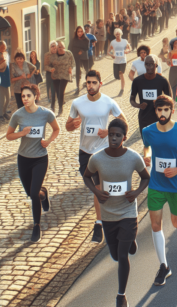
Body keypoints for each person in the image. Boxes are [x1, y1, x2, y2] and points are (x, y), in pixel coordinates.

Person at [83, 119, 150, 307]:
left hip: (128, 212)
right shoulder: (96, 158)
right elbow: (87, 176)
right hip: (108, 214)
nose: (113, 138)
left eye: (117, 135)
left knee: (122, 257)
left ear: (124, 138)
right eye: (111, 134)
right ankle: (129, 243)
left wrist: (136, 192)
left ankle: (121, 295)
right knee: (114, 254)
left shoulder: (133, 157)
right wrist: (96, 192)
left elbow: (146, 177)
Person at [141, 94, 177, 286]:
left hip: (176, 185)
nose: (162, 113)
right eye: (159, 110)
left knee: (175, 222)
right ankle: (164, 267)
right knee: (156, 225)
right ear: (156, 111)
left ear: (172, 110)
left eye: (166, 110)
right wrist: (147, 156)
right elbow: (147, 148)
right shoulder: (148, 131)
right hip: (156, 185)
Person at [65, 70, 127, 243]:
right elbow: (67, 126)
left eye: (94, 82)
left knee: (100, 188)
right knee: (99, 188)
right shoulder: (77, 103)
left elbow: (124, 123)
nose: (90, 85)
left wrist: (109, 132)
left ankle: (99, 223)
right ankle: (109, 216)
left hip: (104, 151)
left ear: (100, 83)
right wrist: (73, 124)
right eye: (88, 82)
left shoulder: (108, 102)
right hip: (85, 152)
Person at [6, 85, 60, 242]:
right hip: (23, 159)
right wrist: (21, 133)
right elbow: (8, 135)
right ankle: (43, 194)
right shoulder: (18, 115)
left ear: (36, 96)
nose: (25, 99)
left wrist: (48, 141)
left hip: (40, 158)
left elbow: (56, 129)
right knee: (32, 193)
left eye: (28, 95)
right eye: (23, 96)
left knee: (33, 193)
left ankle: (37, 226)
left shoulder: (45, 114)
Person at [129, 55, 172, 142]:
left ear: (156, 65)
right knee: (147, 142)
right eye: (147, 64)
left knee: (159, 142)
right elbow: (132, 99)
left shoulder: (162, 80)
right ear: (144, 65)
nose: (149, 67)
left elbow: (170, 99)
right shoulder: (137, 81)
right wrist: (139, 105)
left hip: (159, 117)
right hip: (144, 117)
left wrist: (167, 115)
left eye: (151, 64)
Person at [108, 29, 132, 96]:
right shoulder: (113, 42)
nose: (117, 35)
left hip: (123, 61)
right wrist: (111, 55)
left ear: (121, 34)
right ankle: (123, 84)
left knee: (121, 74)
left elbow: (129, 48)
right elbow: (109, 51)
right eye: (116, 34)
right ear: (115, 35)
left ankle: (122, 89)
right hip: (116, 61)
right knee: (116, 76)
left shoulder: (124, 41)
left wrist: (127, 51)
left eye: (118, 34)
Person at [69, 26, 90, 95]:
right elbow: (70, 48)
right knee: (78, 73)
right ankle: (77, 87)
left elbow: (87, 47)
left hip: (84, 57)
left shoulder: (86, 39)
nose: (80, 33)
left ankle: (88, 86)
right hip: (76, 57)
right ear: (76, 32)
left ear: (83, 32)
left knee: (87, 72)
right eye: (78, 31)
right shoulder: (73, 40)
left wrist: (82, 50)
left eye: (81, 31)